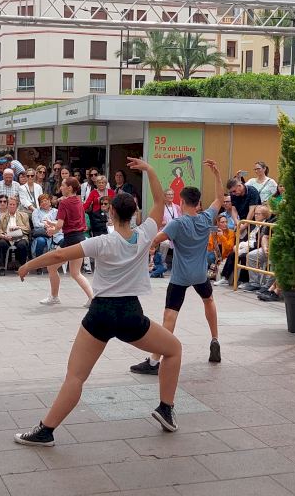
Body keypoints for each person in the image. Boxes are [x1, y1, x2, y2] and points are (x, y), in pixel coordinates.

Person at [14, 158, 183, 445]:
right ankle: (166, 408)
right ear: (134, 213)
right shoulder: (145, 234)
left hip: (101, 313)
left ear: (111, 212)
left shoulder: (102, 242)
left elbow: (59, 255)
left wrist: (28, 265)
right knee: (174, 349)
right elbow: (158, 201)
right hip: (130, 313)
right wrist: (150, 170)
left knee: (76, 376)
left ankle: (46, 430)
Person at [133, 160, 225, 374]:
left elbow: (155, 239)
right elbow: (220, 199)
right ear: (198, 203)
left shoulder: (177, 223)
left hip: (181, 277)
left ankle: (155, 361)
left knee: (170, 314)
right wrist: (217, 175)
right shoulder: (206, 217)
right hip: (200, 274)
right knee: (209, 301)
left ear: (181, 202)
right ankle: (215, 339)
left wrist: (139, 245)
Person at [41, 177, 93, 306]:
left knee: (51, 266)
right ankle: (93, 298)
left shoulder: (64, 203)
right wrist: (52, 223)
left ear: (69, 188)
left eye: (63, 185)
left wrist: (52, 230)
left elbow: (60, 225)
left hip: (70, 240)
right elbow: (69, 223)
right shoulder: (79, 201)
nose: (60, 188)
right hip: (79, 238)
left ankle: (54, 297)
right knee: (75, 273)